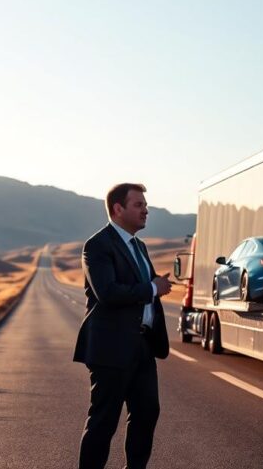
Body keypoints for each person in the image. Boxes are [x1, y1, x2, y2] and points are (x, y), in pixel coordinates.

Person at [74, 183, 173, 469]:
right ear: (118, 209)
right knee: (104, 421)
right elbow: (108, 292)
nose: (146, 210)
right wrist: (153, 289)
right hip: (110, 348)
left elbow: (144, 287)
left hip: (142, 346)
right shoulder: (97, 245)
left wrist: (155, 286)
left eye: (145, 205)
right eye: (138, 205)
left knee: (147, 413)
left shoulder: (138, 245)